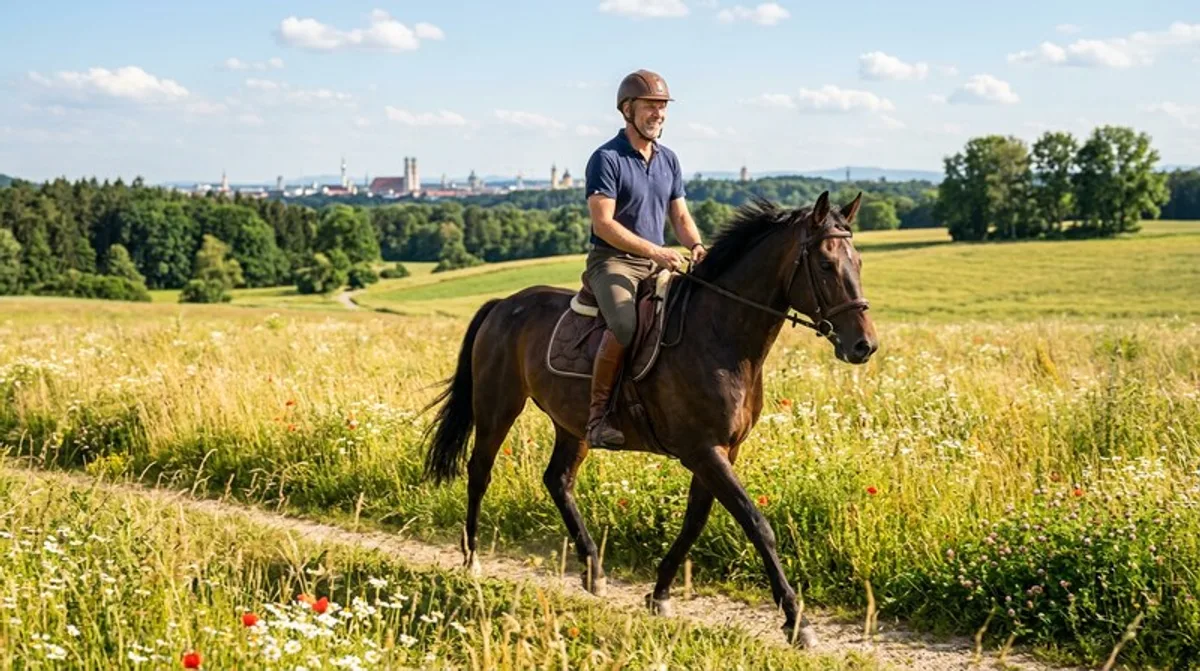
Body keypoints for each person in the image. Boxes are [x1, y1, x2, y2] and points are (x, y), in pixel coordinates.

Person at [582, 69, 707, 449]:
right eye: (650, 106)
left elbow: (680, 217)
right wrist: (655, 250)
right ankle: (598, 417)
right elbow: (603, 224)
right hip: (613, 262)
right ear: (627, 109)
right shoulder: (606, 159)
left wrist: (697, 247)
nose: (658, 113)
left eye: (662, 106)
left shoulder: (669, 159)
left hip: (658, 262)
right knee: (624, 324)